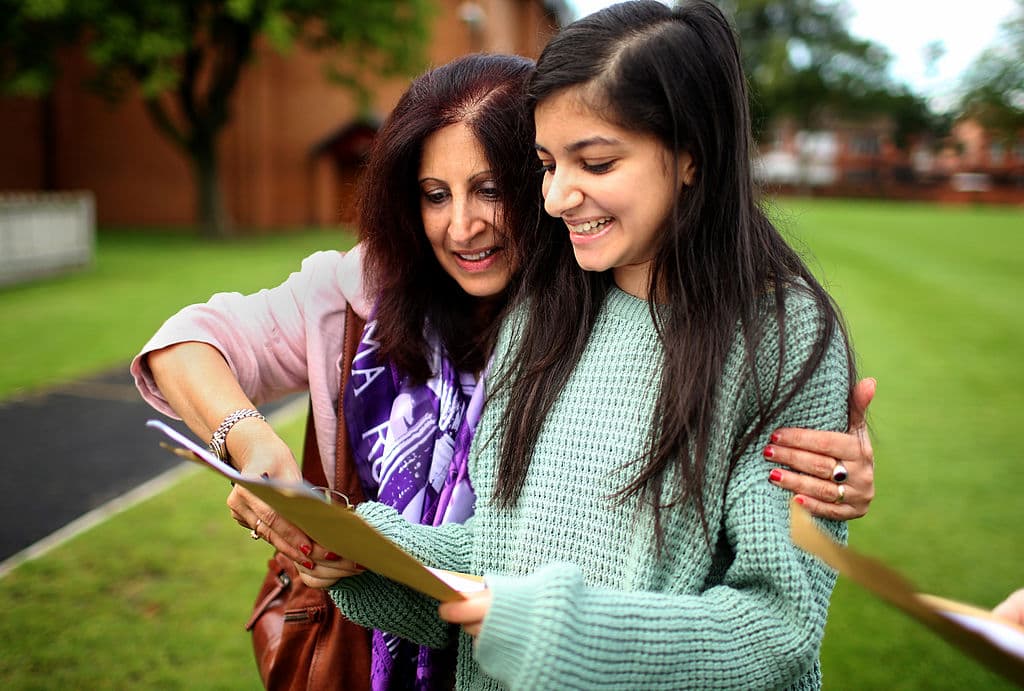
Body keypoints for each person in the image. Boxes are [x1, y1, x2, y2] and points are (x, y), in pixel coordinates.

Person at [134, 46, 872, 690]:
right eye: (435, 195)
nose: (462, 226)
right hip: (392, 656)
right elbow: (188, 341)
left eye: (492, 188)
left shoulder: (582, 292)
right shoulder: (374, 289)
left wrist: (833, 468)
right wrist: (302, 493)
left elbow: (770, 612)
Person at [318, 2, 862, 689]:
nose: (555, 198)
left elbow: (777, 629)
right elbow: (498, 559)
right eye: (547, 165)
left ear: (692, 154)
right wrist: (366, 550)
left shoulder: (783, 337)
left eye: (596, 162)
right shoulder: (544, 311)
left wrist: (563, 634)